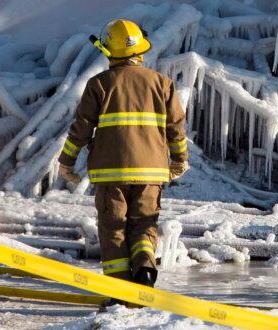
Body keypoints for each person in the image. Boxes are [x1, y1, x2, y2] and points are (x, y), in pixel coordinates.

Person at [57, 19, 188, 288]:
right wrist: (179, 160)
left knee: (114, 229)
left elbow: (81, 129)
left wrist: (66, 163)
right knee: (144, 224)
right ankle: (145, 267)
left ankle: (120, 290)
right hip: (151, 172)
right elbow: (176, 128)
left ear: (109, 50)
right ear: (140, 50)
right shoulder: (162, 83)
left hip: (110, 173)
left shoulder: (99, 84)